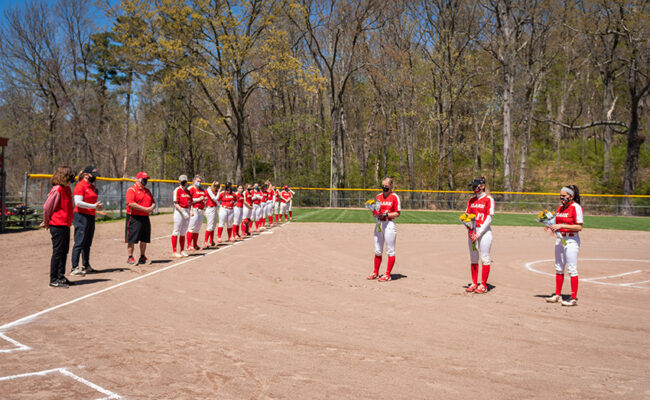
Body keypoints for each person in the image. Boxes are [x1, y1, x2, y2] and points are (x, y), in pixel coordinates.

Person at [545, 185, 583, 307]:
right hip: (560, 239)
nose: (562, 198)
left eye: (564, 196)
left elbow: (579, 226)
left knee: (572, 268)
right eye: (560, 196)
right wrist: (550, 225)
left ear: (571, 196)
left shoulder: (576, 207)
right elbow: (557, 222)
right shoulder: (560, 208)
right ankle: (557, 294)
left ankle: (573, 297)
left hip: (571, 240)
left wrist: (561, 226)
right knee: (559, 267)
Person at [41, 166, 75, 288]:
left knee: (64, 252)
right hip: (57, 225)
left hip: (65, 224)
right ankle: (53, 278)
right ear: (64, 176)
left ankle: (61, 276)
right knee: (58, 252)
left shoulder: (67, 189)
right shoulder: (57, 189)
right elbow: (47, 207)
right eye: (70, 174)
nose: (72, 177)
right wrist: (46, 221)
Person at [464, 177, 495, 294]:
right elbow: (467, 216)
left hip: (484, 233)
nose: (474, 188)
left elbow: (489, 217)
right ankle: (474, 283)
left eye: (476, 186)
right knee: (473, 257)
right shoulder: (471, 200)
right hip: (472, 233)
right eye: (473, 186)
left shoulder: (488, 199)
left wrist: (479, 233)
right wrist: (469, 229)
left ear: (482, 186)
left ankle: (483, 285)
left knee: (485, 258)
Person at [366, 177, 401, 282]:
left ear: (391, 186)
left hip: (389, 224)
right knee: (377, 250)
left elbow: (397, 213)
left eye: (386, 186)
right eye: (383, 185)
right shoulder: (378, 196)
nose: (384, 187)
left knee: (390, 250)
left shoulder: (394, 197)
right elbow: (376, 211)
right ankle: (375, 272)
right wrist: (373, 210)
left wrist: (386, 214)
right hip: (379, 224)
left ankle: (387, 274)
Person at [71, 166, 103, 276]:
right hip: (81, 216)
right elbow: (78, 202)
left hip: (90, 216)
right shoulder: (80, 186)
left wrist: (96, 206)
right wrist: (93, 206)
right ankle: (74, 267)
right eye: (92, 176)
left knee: (87, 243)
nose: (95, 178)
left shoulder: (92, 187)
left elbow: (91, 203)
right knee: (79, 242)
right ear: (86, 175)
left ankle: (86, 265)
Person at [125, 171, 156, 265]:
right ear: (138, 179)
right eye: (144, 179)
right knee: (132, 239)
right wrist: (145, 209)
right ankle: (130, 257)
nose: (146, 181)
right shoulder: (132, 190)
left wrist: (151, 207)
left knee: (144, 239)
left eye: (147, 179)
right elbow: (131, 203)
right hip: (134, 217)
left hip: (145, 217)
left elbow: (153, 202)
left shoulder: (147, 191)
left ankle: (142, 257)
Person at [171, 175, 191, 258]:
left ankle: (182, 250)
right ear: (179, 181)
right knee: (176, 231)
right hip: (179, 211)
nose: (183, 183)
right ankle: (174, 251)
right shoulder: (177, 190)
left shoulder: (188, 191)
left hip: (187, 211)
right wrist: (182, 211)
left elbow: (190, 202)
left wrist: (190, 211)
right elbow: (175, 203)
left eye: (185, 181)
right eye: (182, 181)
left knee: (183, 231)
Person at [187, 175, 206, 251]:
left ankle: (195, 244)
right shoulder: (190, 189)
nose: (199, 182)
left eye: (200, 181)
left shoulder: (201, 189)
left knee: (197, 228)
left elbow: (204, 197)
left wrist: (205, 199)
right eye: (197, 181)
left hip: (201, 210)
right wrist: (199, 199)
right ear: (194, 181)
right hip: (194, 209)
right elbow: (189, 200)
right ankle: (189, 245)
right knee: (191, 227)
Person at [204, 181, 221, 248]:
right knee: (210, 226)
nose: (216, 187)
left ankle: (211, 241)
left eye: (217, 186)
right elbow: (215, 198)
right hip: (210, 208)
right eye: (215, 186)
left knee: (213, 226)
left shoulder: (215, 191)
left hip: (214, 208)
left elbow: (217, 201)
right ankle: (205, 242)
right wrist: (219, 192)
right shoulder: (209, 190)